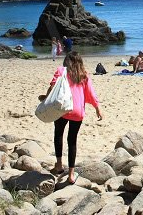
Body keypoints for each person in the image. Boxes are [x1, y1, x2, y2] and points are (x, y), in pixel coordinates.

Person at [39, 52, 103, 184]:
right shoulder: (84, 74)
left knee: (58, 134)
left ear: (67, 61)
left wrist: (45, 99)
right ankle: (71, 175)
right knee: (72, 140)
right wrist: (97, 107)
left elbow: (52, 86)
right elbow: (90, 93)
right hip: (77, 111)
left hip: (62, 109)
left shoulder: (61, 71)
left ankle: (59, 165)